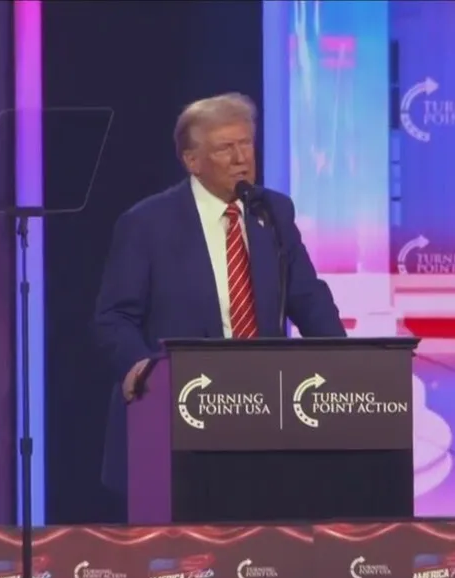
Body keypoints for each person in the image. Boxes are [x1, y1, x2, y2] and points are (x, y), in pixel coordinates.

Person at [94, 92, 345, 495]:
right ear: (192, 161)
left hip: (264, 409)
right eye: (226, 148)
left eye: (246, 143)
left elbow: (308, 298)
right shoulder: (147, 224)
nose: (241, 158)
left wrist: (348, 364)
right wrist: (140, 368)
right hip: (180, 414)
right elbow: (114, 318)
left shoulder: (272, 213)